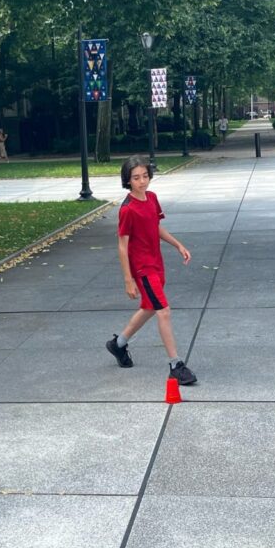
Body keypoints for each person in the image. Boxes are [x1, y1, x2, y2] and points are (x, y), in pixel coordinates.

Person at [105, 155, 197, 385]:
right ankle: (176, 365)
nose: (142, 181)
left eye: (145, 176)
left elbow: (155, 227)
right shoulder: (127, 210)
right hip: (143, 269)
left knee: (149, 307)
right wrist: (128, 279)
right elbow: (122, 246)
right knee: (163, 311)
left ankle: (118, 345)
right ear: (128, 180)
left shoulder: (152, 198)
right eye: (136, 178)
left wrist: (178, 245)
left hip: (157, 263)